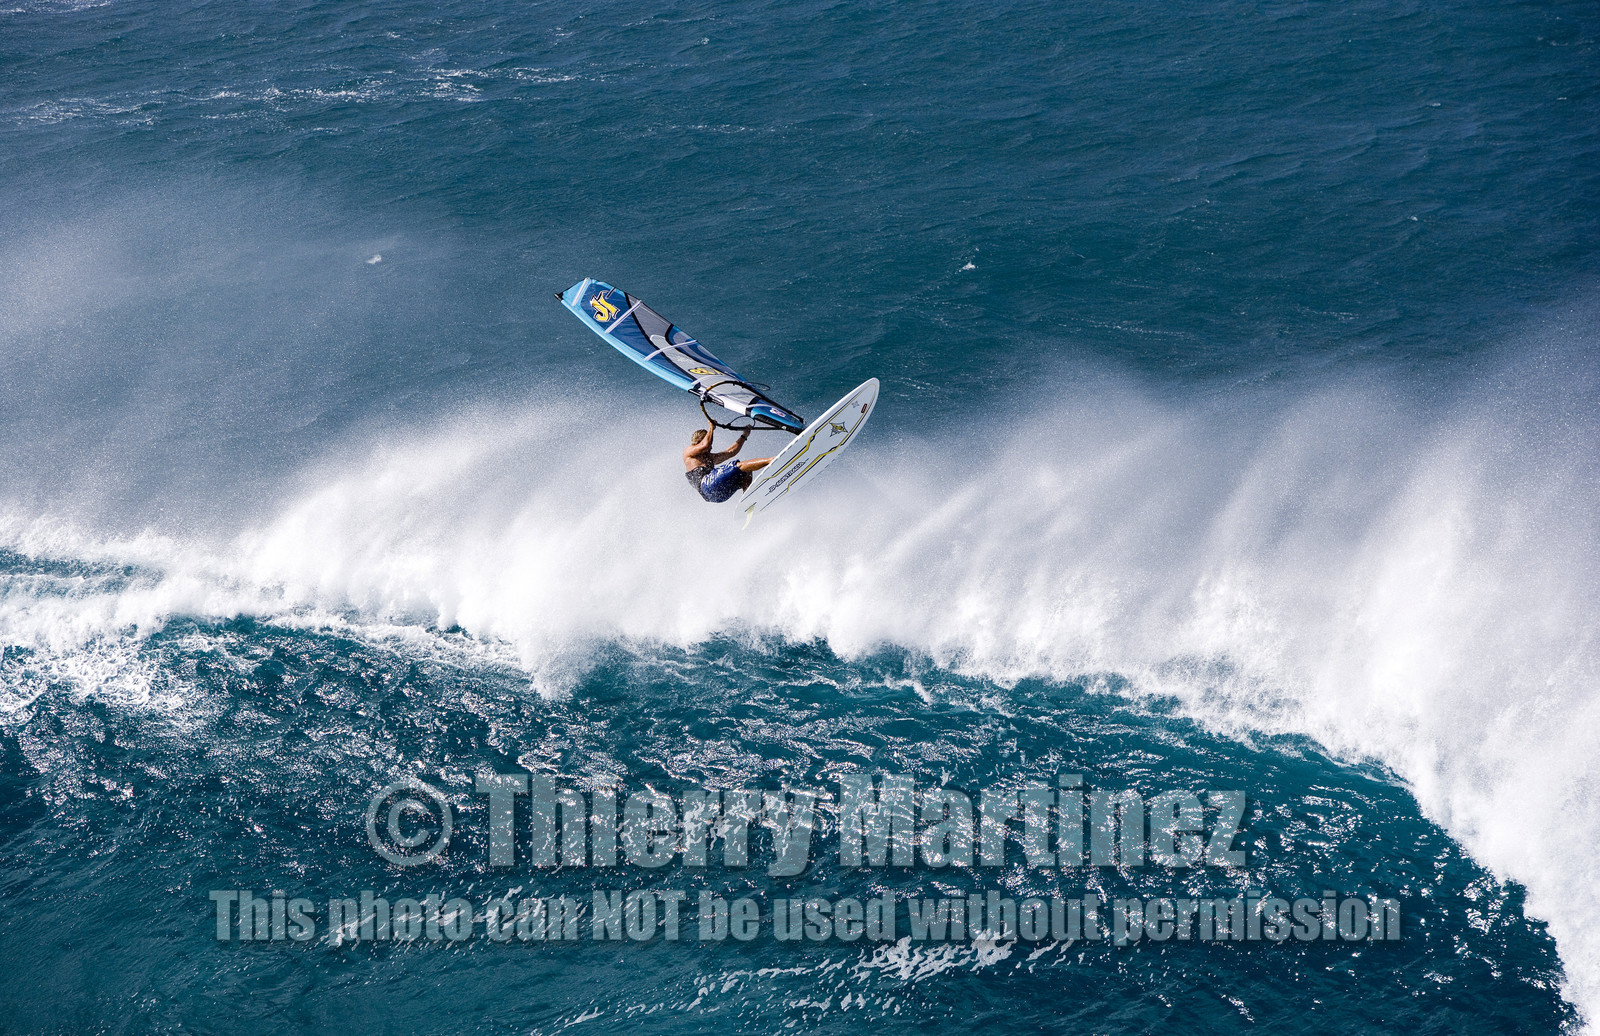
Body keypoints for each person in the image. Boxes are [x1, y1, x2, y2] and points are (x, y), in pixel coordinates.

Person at [683, 418, 773, 503]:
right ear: (699, 442)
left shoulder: (709, 458)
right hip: (707, 486)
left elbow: (730, 452)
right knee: (739, 465)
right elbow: (706, 445)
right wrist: (711, 427)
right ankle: (771, 460)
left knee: (746, 470)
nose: (711, 446)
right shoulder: (689, 452)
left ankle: (748, 499)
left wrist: (744, 435)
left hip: (718, 495)